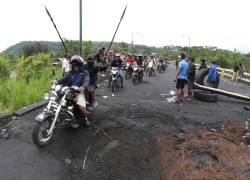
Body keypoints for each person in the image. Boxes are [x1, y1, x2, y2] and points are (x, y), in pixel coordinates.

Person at [57, 55, 90, 126]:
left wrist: (82, 87)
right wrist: (56, 82)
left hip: (79, 92)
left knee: (81, 107)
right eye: (74, 65)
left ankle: (86, 118)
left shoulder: (85, 73)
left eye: (77, 65)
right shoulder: (69, 73)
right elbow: (63, 79)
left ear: (80, 65)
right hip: (69, 92)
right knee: (59, 102)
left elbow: (87, 81)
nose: (75, 67)